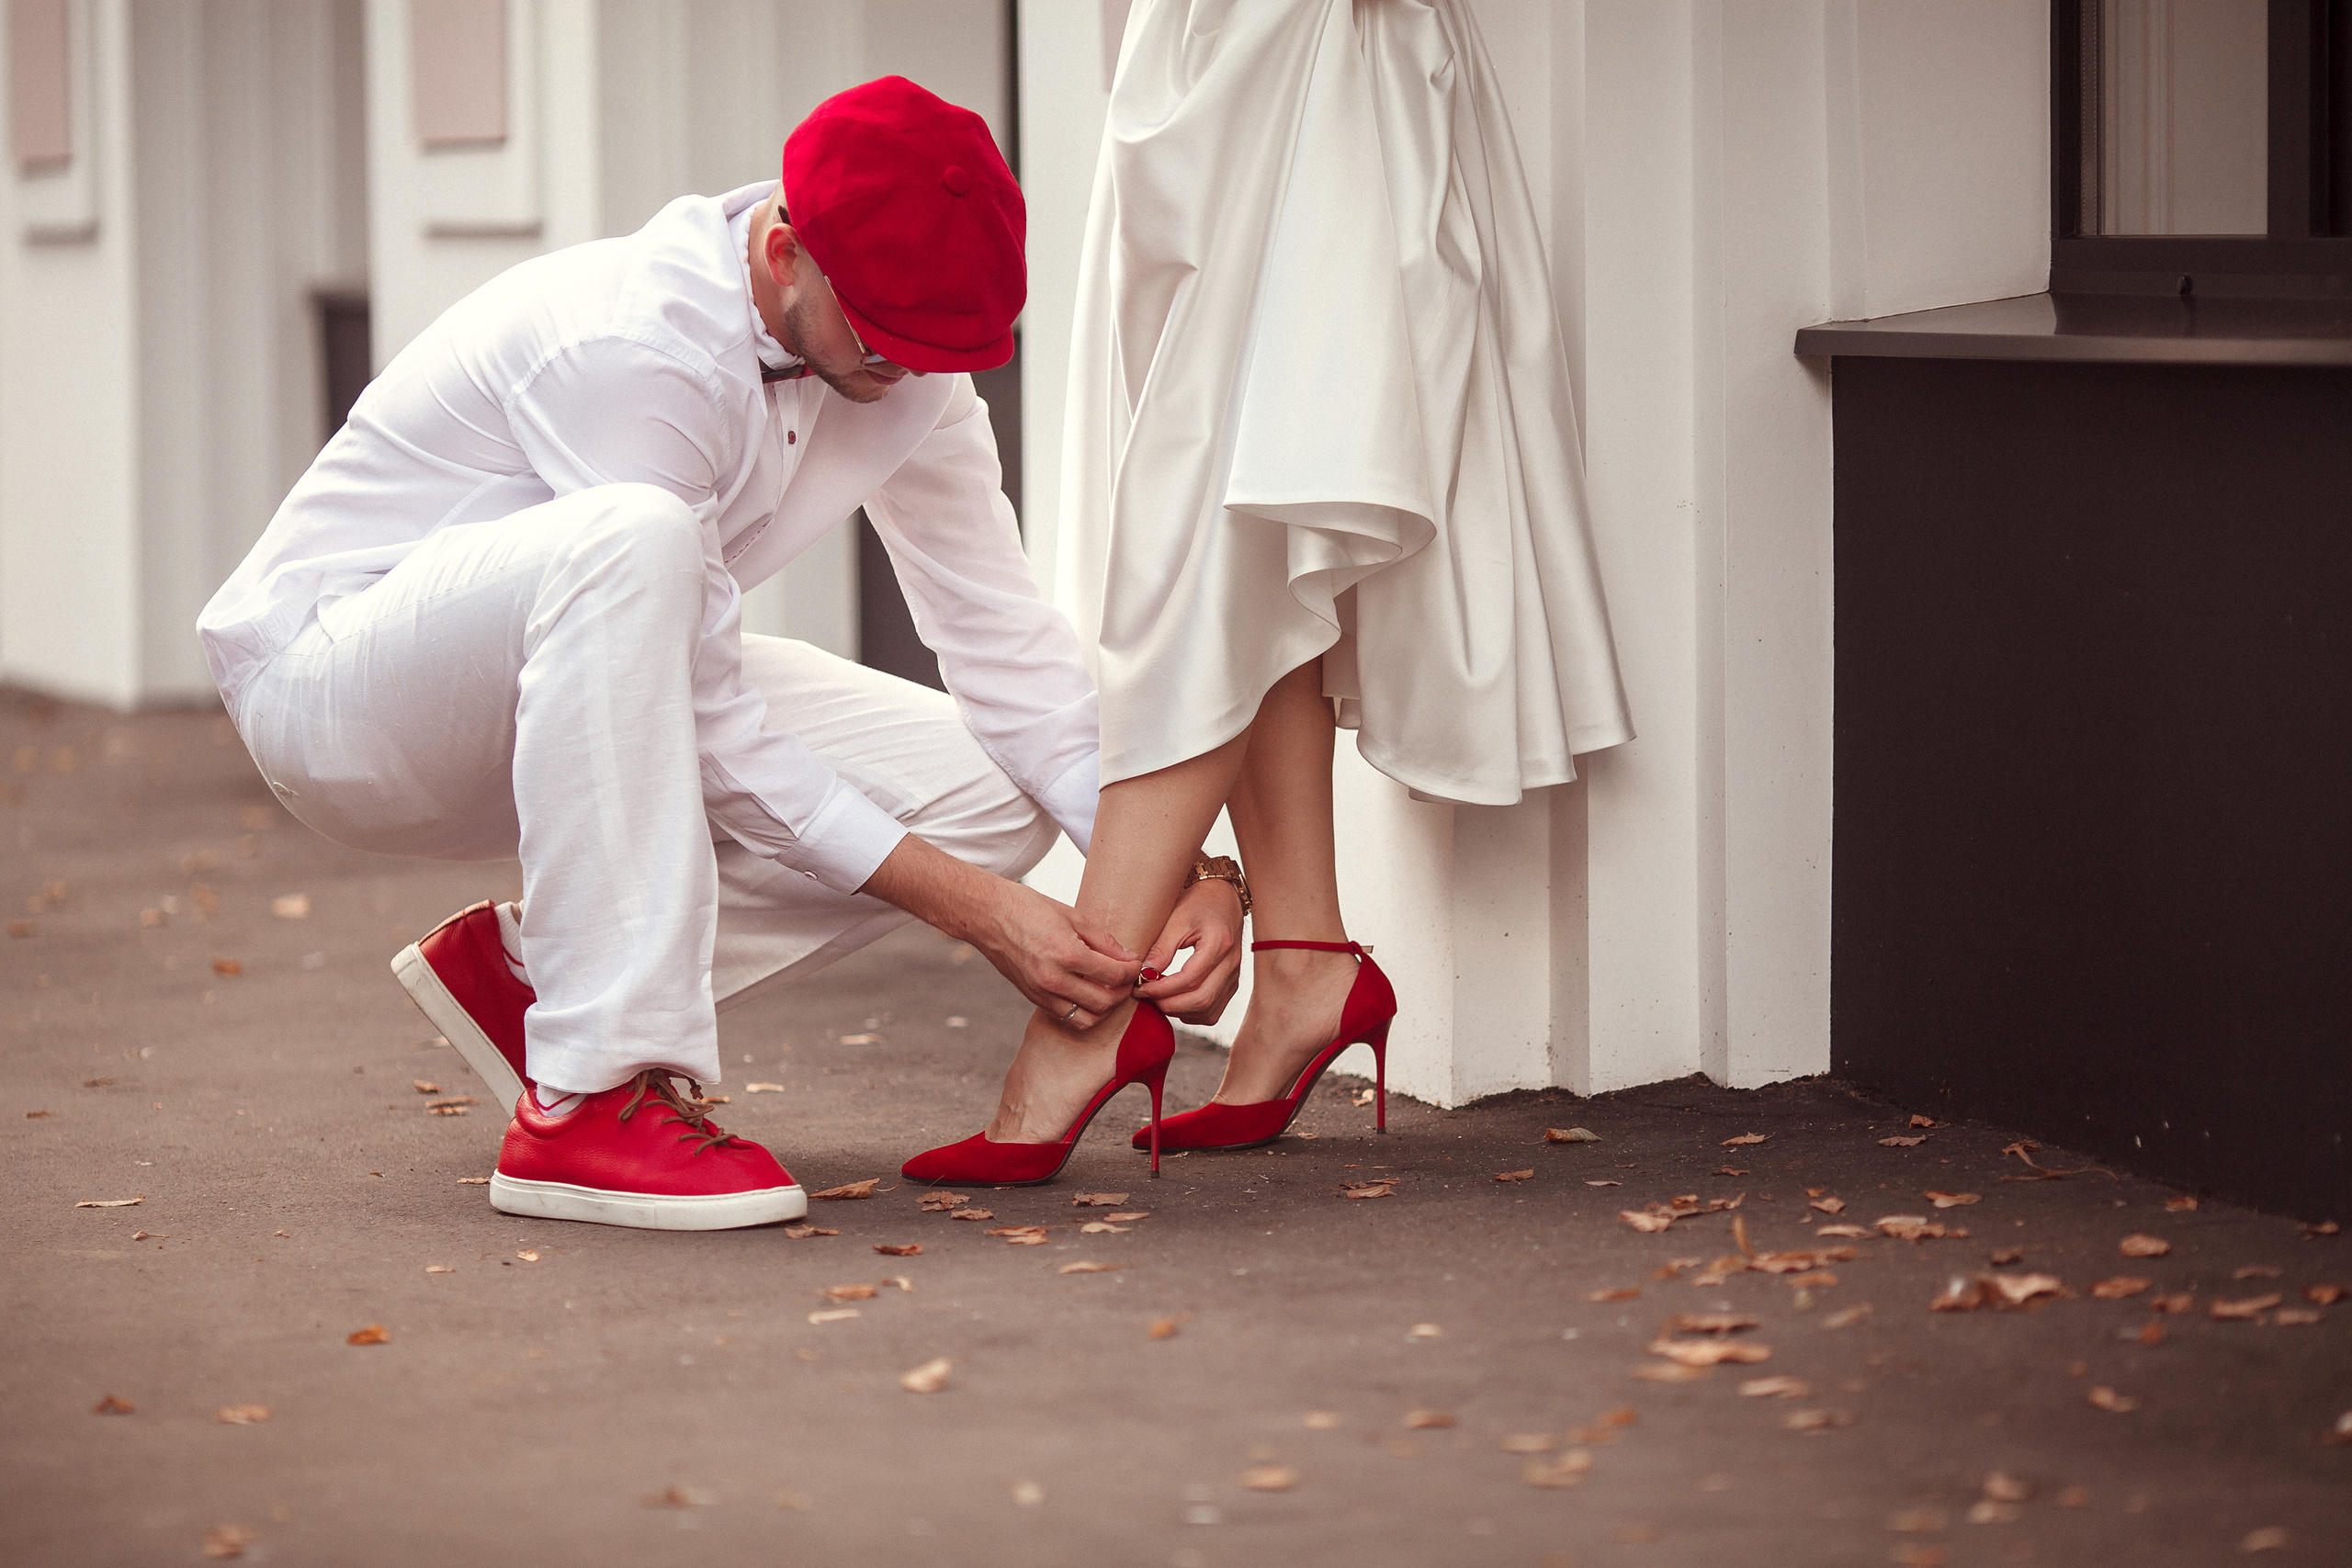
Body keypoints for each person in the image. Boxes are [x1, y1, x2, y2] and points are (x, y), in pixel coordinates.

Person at [198, 77, 1241, 1232]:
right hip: (340, 701)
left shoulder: (911, 368)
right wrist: (979, 914)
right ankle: (585, 1097)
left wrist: (1184, 871)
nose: (909, 370)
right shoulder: (633, 343)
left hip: (587, 686)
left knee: (986, 796)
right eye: (887, 339)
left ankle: (537, 980)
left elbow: (1007, 652)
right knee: (632, 540)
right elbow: (705, 714)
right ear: (786, 251)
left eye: (939, 348)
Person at [901, 0, 1633, 1182]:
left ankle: (1083, 1019)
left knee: (1219, 525)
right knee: (1252, 522)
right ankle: (1305, 961)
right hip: (1200, 56)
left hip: (1304, 64)